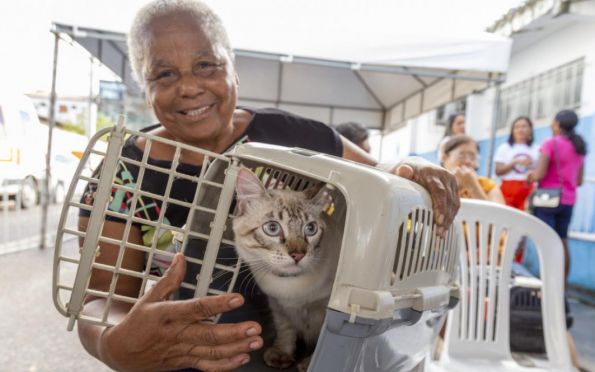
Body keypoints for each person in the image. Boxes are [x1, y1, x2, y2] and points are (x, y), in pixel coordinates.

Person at [75, 1, 460, 371]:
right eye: (164, 74)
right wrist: (113, 346)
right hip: (177, 364)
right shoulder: (121, 174)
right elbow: (100, 299)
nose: (189, 87)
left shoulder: (295, 137)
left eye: (206, 65)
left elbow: (384, 180)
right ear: (144, 85)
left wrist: (417, 167)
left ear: (233, 69)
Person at [527, 109, 586, 280]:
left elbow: (539, 174)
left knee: (546, 242)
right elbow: (580, 180)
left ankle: (547, 287)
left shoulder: (550, 143)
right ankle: (561, 289)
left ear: (558, 124)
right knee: (562, 242)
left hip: (547, 200)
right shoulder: (579, 147)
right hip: (568, 200)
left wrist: (529, 175)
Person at [441, 134, 505, 204]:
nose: (468, 161)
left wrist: (473, 186)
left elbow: (498, 214)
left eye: (472, 157)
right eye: (461, 155)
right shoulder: (437, 183)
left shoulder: (487, 185)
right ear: (445, 158)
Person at [494, 116, 539, 210]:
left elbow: (540, 171)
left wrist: (531, 167)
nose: (520, 130)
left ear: (530, 129)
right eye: (517, 127)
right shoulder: (504, 148)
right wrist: (515, 162)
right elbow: (498, 171)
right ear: (512, 130)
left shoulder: (536, 149)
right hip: (508, 188)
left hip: (528, 188)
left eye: (524, 126)